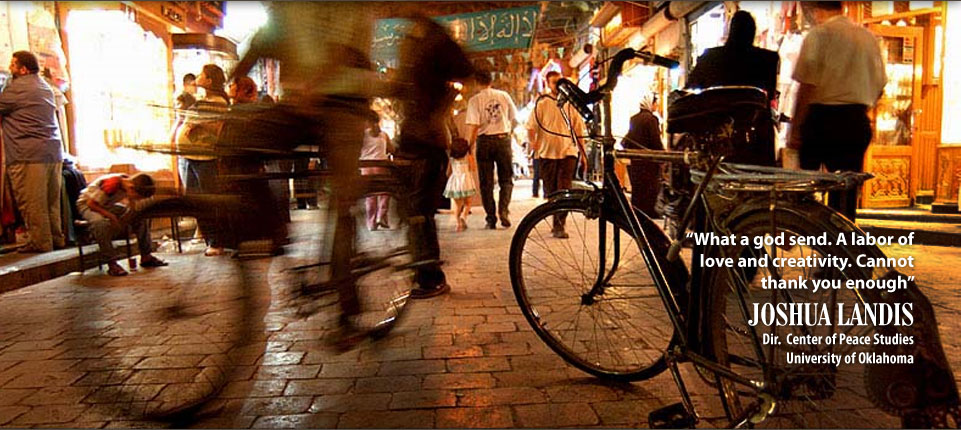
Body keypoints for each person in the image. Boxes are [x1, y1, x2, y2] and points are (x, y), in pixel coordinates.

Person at [396, 15, 473, 298]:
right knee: (415, 212)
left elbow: (464, 69)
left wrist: (440, 103)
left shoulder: (430, 39)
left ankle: (430, 276)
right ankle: (424, 272)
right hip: (416, 140)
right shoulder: (417, 39)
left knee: (420, 212)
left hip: (424, 141)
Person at [789, 1, 886, 221]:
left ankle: (799, 227)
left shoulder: (818, 35)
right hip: (856, 121)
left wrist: (795, 130)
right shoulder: (868, 38)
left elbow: (806, 85)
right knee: (845, 193)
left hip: (822, 120)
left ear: (816, 11)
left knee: (805, 185)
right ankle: (841, 243)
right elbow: (880, 85)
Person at [687, 10, 779, 167]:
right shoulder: (769, 59)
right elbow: (770, 93)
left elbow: (692, 85)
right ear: (753, 32)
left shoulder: (710, 57)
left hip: (719, 130)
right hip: (758, 131)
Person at [0, 51, 65, 253]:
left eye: (12, 65)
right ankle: (56, 238)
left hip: (28, 154)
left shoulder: (18, 88)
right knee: (50, 202)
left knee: (32, 202)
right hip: (53, 153)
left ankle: (40, 243)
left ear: (23, 69)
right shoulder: (45, 86)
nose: (10, 69)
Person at [176, 64, 230, 256]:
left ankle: (217, 241)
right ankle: (210, 239)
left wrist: (199, 125)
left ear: (209, 80)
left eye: (202, 74)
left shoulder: (218, 102)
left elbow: (218, 127)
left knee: (208, 199)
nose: (197, 76)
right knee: (196, 201)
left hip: (204, 156)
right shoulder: (202, 99)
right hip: (189, 155)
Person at [526, 71, 586, 238]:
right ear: (548, 84)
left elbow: (579, 130)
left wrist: (583, 154)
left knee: (564, 189)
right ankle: (555, 222)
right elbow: (531, 127)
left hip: (568, 152)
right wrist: (534, 143)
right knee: (551, 191)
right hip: (547, 154)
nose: (557, 85)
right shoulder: (542, 104)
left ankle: (560, 225)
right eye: (554, 82)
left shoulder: (570, 104)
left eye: (560, 81)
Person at [76, 173, 167, 276]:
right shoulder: (111, 184)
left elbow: (132, 207)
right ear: (132, 189)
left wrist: (131, 215)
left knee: (140, 218)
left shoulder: (130, 183)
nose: (137, 199)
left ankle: (146, 256)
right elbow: (91, 204)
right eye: (137, 197)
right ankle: (112, 263)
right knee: (100, 223)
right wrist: (112, 217)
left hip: (106, 204)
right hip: (88, 205)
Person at [466, 66, 518, 229]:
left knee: (486, 183)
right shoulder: (504, 96)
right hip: (503, 140)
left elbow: (473, 126)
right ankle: (504, 211)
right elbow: (514, 119)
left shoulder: (474, 100)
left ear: (476, 82)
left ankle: (491, 218)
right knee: (506, 179)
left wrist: (469, 146)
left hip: (484, 142)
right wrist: (508, 132)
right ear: (491, 80)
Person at [622, 93, 663, 218]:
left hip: (636, 160)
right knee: (650, 187)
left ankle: (636, 210)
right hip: (649, 160)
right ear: (651, 103)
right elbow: (655, 140)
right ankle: (648, 212)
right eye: (656, 103)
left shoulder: (634, 119)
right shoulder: (652, 119)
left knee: (638, 187)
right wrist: (662, 154)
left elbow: (628, 138)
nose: (657, 105)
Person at [360, 111, 391, 231]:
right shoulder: (384, 135)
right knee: (384, 193)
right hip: (382, 167)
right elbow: (391, 149)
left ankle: (371, 223)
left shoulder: (362, 135)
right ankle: (381, 217)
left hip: (366, 168)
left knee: (370, 196)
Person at [443, 138, 477, 232]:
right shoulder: (468, 157)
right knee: (468, 202)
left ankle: (458, 224)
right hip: (466, 181)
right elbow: (473, 168)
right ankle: (464, 216)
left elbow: (448, 172)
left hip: (455, 182)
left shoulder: (451, 159)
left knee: (457, 205)